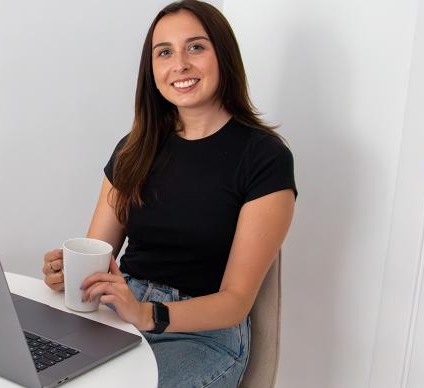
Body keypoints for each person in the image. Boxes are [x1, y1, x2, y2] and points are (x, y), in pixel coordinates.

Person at [41, 1, 296, 387]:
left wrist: (148, 314)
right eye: (164, 52)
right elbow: (98, 254)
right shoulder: (134, 149)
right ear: (153, 70)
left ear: (223, 56)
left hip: (205, 334)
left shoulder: (265, 157)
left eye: (195, 47)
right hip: (121, 313)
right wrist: (69, 274)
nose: (180, 64)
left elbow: (236, 300)